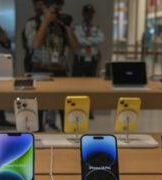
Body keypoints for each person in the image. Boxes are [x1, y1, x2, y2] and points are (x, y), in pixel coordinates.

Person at [25, 0, 80, 131]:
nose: (56, 12)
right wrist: (46, 21)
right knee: (37, 109)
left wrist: (67, 26)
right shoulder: (33, 23)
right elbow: (35, 45)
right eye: (53, 10)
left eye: (59, 8)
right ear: (43, 8)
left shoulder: (62, 25)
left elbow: (76, 48)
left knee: (66, 108)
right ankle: (37, 137)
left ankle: (68, 138)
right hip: (40, 70)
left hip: (60, 71)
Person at [73, 4, 104, 77]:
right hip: (79, 61)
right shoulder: (77, 27)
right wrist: (93, 41)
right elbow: (78, 41)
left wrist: (86, 39)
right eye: (87, 13)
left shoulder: (96, 28)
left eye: (91, 13)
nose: (89, 15)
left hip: (92, 61)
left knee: (92, 85)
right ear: (83, 14)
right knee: (75, 85)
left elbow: (100, 40)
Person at [22, 0, 44, 73]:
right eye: (37, 5)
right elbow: (33, 45)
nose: (39, 8)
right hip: (37, 65)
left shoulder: (58, 23)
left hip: (58, 66)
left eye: (42, 5)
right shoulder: (32, 23)